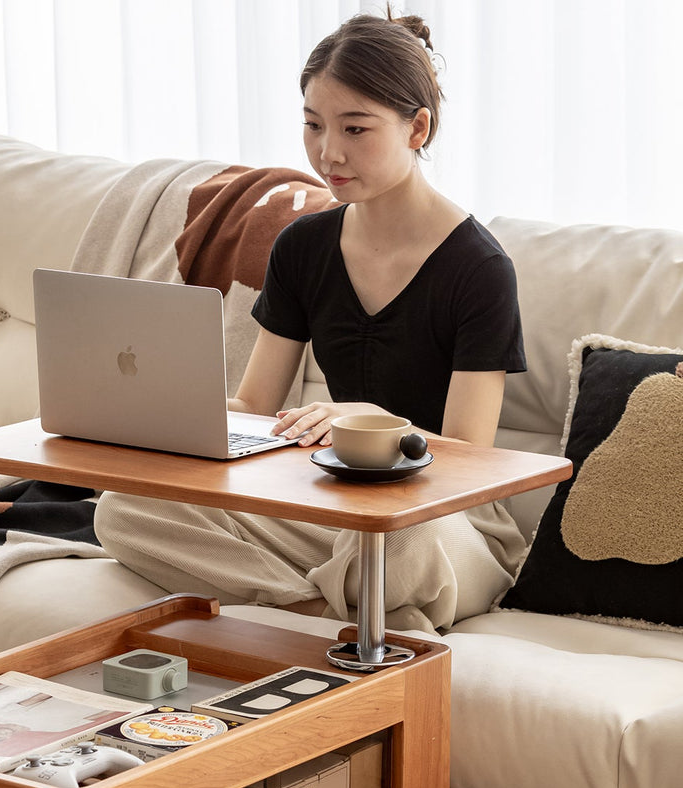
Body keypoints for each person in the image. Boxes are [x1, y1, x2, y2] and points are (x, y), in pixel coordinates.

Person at [94, 8, 529, 633]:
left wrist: (373, 421)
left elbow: (469, 459)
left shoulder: (479, 267)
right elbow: (254, 402)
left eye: (356, 129)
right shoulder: (303, 246)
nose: (329, 152)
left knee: (393, 540)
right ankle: (323, 611)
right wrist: (166, 413)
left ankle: (337, 597)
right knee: (124, 509)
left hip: (445, 522)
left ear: (418, 128)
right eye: (313, 125)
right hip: (333, 504)